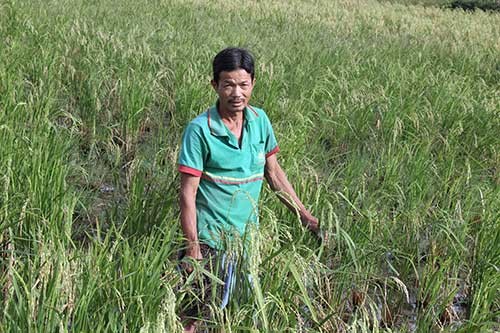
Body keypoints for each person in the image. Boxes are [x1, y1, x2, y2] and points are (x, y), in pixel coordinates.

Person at [178, 47, 320, 332]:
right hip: (210, 241)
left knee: (235, 312)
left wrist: (304, 214)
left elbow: (274, 173)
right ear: (215, 85)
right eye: (228, 84)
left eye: (243, 84)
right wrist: (193, 247)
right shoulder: (200, 130)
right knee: (194, 314)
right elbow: (187, 194)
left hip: (247, 242)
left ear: (253, 83)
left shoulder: (260, 121)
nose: (236, 93)